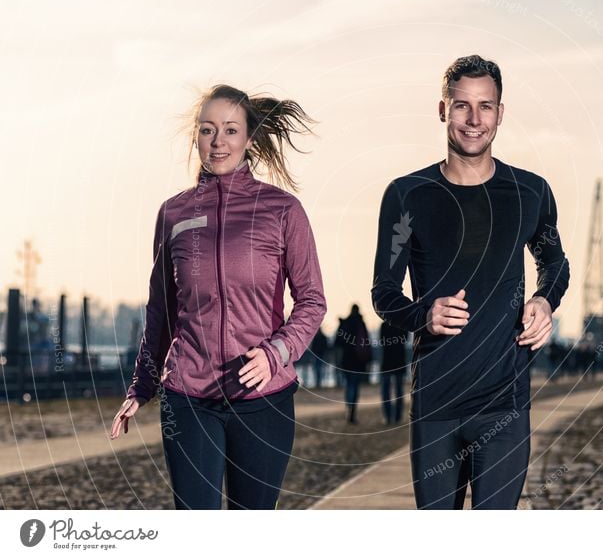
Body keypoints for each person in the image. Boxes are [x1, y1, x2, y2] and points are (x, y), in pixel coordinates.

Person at [109, 84, 327, 510]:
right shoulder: (174, 212)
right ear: (196, 137)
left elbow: (312, 300)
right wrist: (142, 385)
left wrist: (276, 352)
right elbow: (162, 309)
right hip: (188, 398)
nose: (218, 141)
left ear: (248, 138)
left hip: (264, 398)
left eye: (230, 130)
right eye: (208, 130)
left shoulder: (283, 210)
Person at [371, 55, 570, 509]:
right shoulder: (407, 195)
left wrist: (544, 300)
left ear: (501, 113)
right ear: (443, 109)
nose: (474, 119)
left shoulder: (531, 192)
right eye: (462, 105)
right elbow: (383, 292)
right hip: (436, 404)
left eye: (486, 106)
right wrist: (425, 314)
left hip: (505, 404)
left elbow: (554, 263)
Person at [335, 304, 372, 423]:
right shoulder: (360, 324)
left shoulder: (345, 323)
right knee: (354, 386)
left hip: (346, 360)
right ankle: (352, 412)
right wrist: (368, 360)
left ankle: (348, 409)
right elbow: (366, 343)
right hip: (357, 361)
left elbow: (337, 343)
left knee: (349, 385)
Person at [379, 320, 409, 425]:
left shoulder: (384, 325)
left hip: (386, 362)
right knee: (399, 391)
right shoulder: (402, 324)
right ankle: (397, 417)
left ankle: (388, 417)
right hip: (399, 361)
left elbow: (382, 342)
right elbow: (406, 339)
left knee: (386, 391)